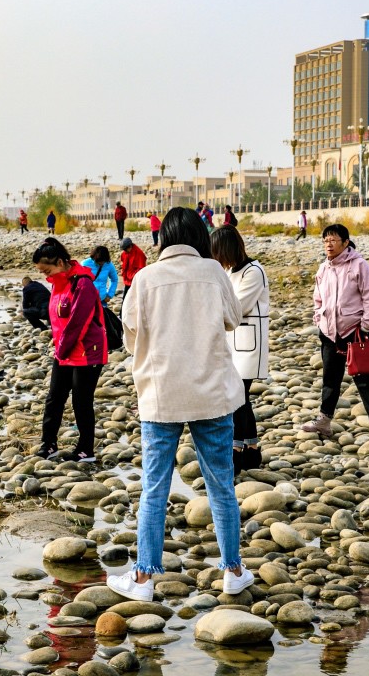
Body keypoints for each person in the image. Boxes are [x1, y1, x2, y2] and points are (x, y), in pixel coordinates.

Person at [110, 207, 254, 601]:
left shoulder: (145, 278)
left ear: (164, 238)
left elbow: (130, 336)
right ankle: (233, 570)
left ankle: (143, 578)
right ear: (199, 237)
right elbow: (233, 319)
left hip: (162, 396)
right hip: (212, 394)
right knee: (221, 485)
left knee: (154, 488)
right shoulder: (213, 272)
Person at [301, 224, 369, 437]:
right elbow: (317, 297)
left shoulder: (359, 265)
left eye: (333, 240)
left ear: (345, 242)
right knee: (330, 378)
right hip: (329, 332)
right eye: (325, 240)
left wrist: (367, 324)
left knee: (365, 376)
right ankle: (324, 421)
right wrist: (318, 317)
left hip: (354, 330)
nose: (328, 244)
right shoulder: (323, 268)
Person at [33, 237, 108, 462]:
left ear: (60, 262)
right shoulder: (58, 284)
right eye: (42, 272)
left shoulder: (83, 284)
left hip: (87, 351)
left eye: (47, 271)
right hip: (65, 349)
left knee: (81, 401)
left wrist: (62, 349)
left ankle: (86, 449)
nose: (45, 276)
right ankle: (48, 444)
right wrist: (58, 346)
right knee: (54, 398)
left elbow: (78, 323)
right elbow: (58, 319)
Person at [210, 226, 268, 474]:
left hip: (248, 344)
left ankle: (236, 450)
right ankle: (251, 449)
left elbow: (238, 306)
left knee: (237, 397)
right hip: (234, 342)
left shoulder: (254, 271)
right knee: (241, 398)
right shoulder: (231, 271)